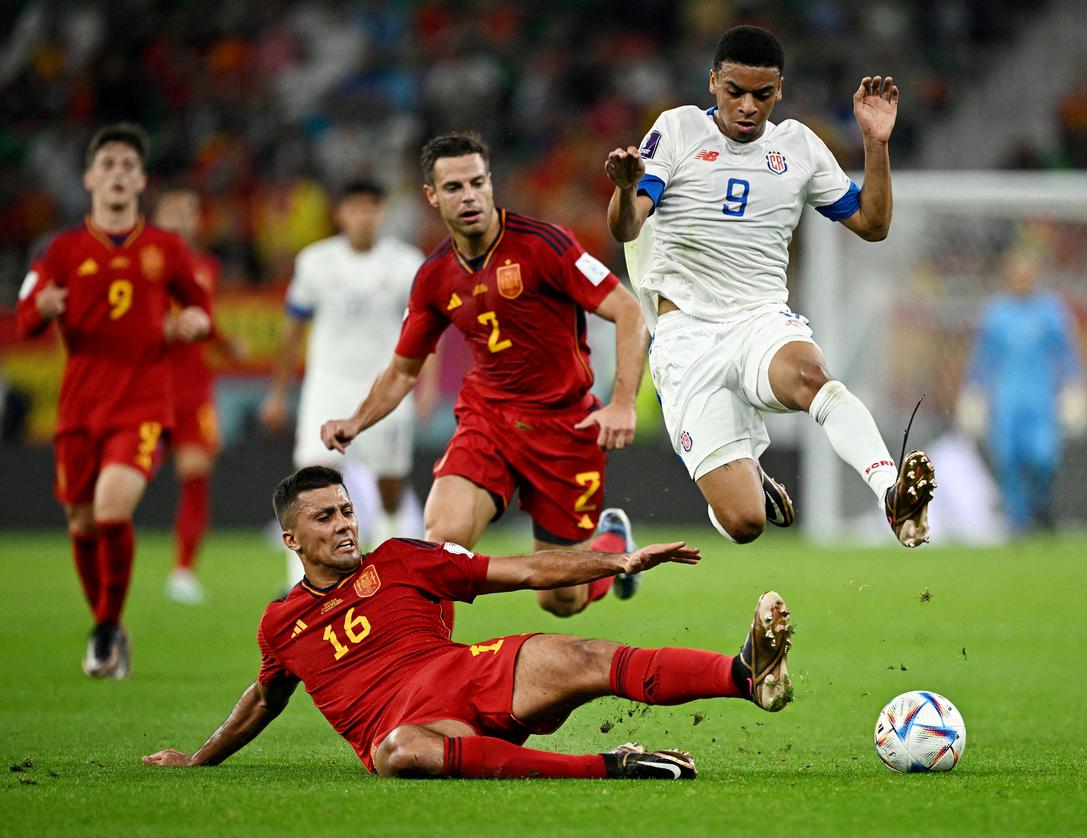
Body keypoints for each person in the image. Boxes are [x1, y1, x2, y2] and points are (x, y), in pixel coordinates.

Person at [142, 466, 794, 779]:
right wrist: (200, 760)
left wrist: (616, 561)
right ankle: (612, 766)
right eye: (325, 518)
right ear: (292, 540)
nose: (344, 524)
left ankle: (746, 676)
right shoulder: (280, 624)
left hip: (465, 675)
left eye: (347, 511)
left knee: (583, 654)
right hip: (413, 727)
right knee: (397, 754)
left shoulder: (404, 559)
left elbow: (524, 570)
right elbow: (263, 698)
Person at [605, 25, 935, 547]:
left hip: (760, 319)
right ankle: (748, 482)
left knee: (811, 376)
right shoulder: (678, 130)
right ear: (713, 82)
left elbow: (872, 224)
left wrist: (875, 144)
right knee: (745, 523)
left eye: (762, 94)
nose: (748, 106)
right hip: (686, 336)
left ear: (778, 91)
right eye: (734, 91)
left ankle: (890, 492)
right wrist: (625, 191)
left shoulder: (799, 147)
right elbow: (626, 226)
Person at [321, 132, 649, 618]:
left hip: (564, 427)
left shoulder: (545, 245)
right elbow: (401, 370)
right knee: (443, 544)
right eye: (453, 188)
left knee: (560, 599)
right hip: (489, 420)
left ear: (491, 184)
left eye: (477, 182)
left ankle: (611, 543)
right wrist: (356, 420)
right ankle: (422, 675)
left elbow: (629, 312)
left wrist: (621, 403)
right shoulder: (433, 277)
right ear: (432, 196)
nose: (469, 196)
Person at [16, 123, 211, 678]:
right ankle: (110, 625)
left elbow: (200, 310)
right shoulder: (61, 250)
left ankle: (104, 627)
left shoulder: (166, 249)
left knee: (110, 511)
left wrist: (196, 322)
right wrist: (41, 311)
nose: (119, 173)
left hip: (143, 403)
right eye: (109, 164)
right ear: (90, 178)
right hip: (79, 406)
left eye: (129, 165)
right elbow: (25, 313)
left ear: (141, 180)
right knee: (80, 523)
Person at [260, 179, 428, 581]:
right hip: (328, 385)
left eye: (371, 208)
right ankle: (298, 581)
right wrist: (278, 393)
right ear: (340, 214)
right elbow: (292, 331)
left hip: (384, 387)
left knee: (390, 487)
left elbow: (425, 331)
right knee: (309, 479)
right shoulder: (315, 262)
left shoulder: (406, 263)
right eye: (355, 208)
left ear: (382, 213)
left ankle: (393, 574)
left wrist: (424, 387)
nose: (363, 217)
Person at [957, 247, 1087, 534]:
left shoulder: (1051, 312)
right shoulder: (996, 315)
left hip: (1041, 399)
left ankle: (1040, 506)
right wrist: (974, 392)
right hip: (1005, 401)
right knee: (1008, 461)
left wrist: (1074, 387)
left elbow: (1067, 355)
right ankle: (1018, 522)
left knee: (1043, 458)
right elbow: (981, 359)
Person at [154, 184, 233, 605]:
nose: (183, 219)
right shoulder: (142, 263)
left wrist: (222, 341)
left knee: (196, 475)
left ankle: (183, 571)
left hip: (193, 388)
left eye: (190, 210)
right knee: (121, 483)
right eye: (175, 210)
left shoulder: (206, 266)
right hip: (148, 388)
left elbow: (202, 316)